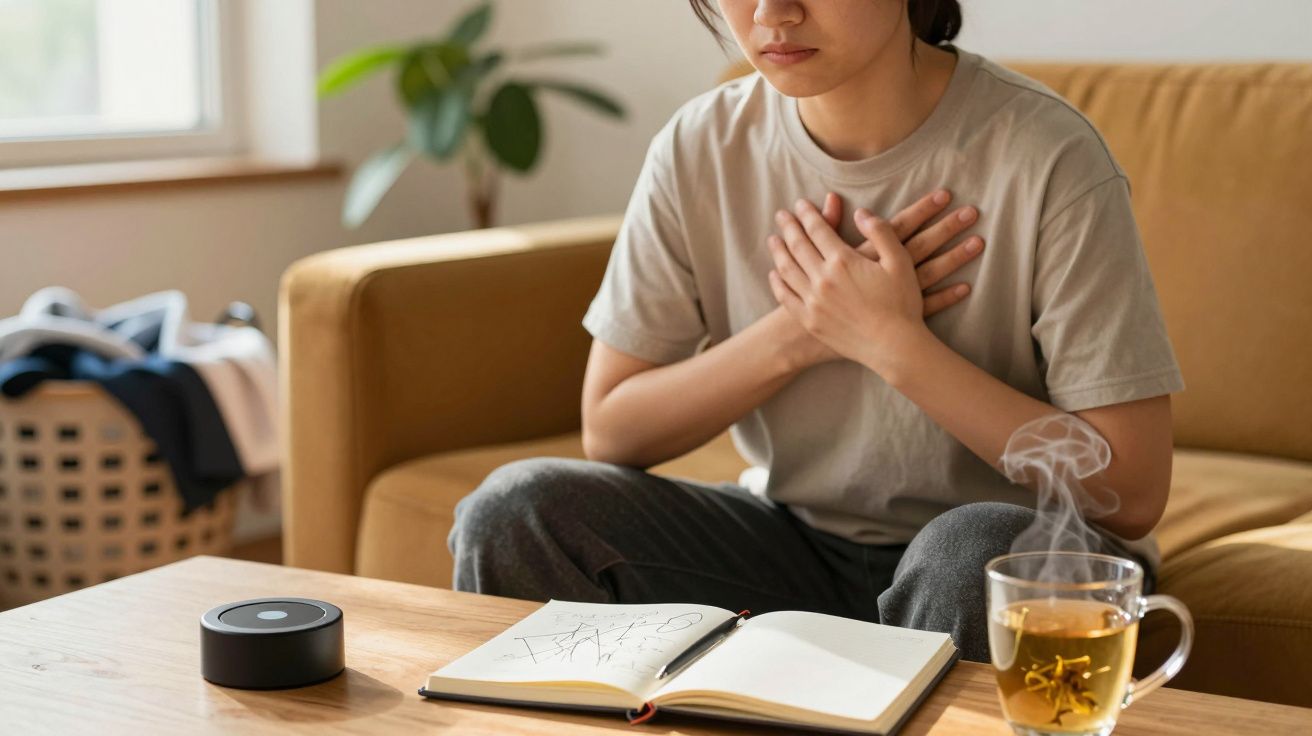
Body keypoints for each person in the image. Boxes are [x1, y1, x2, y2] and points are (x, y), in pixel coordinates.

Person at [447, 0, 1184, 663]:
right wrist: (803, 331)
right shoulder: (700, 146)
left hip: (1018, 555)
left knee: (968, 554)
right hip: (795, 543)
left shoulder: (1048, 154)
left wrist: (893, 344)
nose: (773, 12)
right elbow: (613, 430)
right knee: (518, 512)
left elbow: (1133, 487)